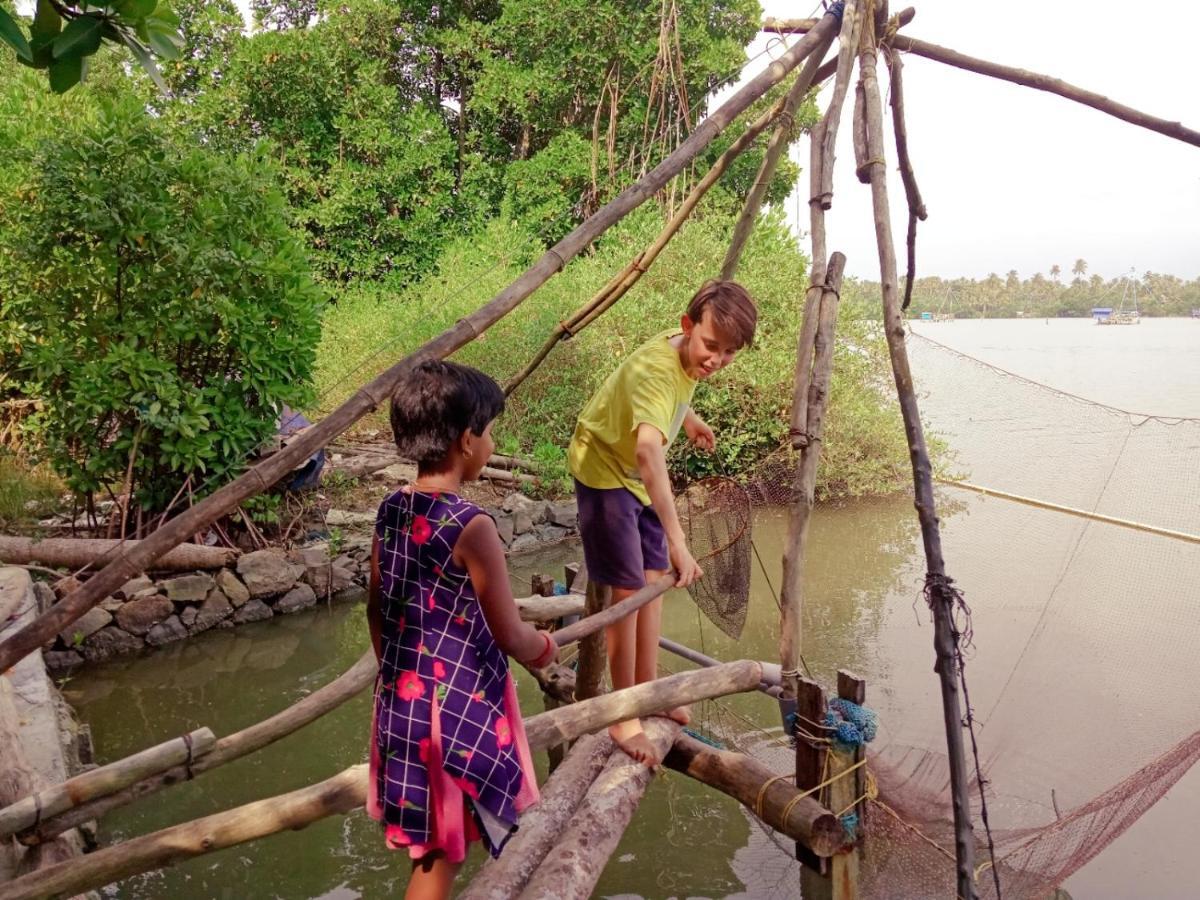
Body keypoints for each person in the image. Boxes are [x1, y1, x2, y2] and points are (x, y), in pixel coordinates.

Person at [366, 360, 557, 900]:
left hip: (403, 703)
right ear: (467, 440)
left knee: (434, 842)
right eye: (491, 431)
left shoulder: (391, 510)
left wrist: (396, 681)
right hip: (453, 714)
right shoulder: (471, 526)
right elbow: (510, 635)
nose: (492, 442)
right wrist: (546, 647)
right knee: (439, 855)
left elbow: (376, 609)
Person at [567, 280, 758, 766]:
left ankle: (649, 690)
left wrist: (688, 418)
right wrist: (679, 541)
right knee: (627, 593)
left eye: (730, 352)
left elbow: (668, 395)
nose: (717, 359)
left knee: (653, 582)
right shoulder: (659, 369)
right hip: (605, 471)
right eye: (711, 346)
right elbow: (650, 450)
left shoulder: (684, 354)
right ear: (687, 327)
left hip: (631, 474)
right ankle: (622, 712)